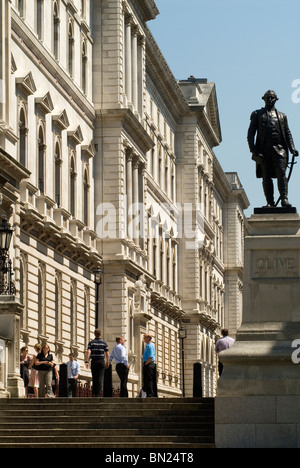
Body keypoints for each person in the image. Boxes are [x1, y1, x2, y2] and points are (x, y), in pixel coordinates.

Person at [247, 90, 298, 208]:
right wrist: (254, 150)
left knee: (281, 173)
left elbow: (287, 133)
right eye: (268, 98)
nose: (270, 100)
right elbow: (250, 133)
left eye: (272, 98)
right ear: (263, 99)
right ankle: (270, 202)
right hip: (263, 151)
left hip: (280, 149)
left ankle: (284, 199)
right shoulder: (257, 114)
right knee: (266, 177)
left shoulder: (282, 116)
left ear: (276, 99)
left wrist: (292, 148)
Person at [85, 329, 109, 397]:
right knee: (100, 378)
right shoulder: (104, 343)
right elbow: (107, 353)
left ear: (94, 334)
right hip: (101, 361)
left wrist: (87, 360)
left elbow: (88, 352)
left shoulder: (91, 343)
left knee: (94, 377)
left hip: (94, 361)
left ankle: (94, 393)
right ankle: (98, 393)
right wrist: (107, 362)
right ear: (100, 334)